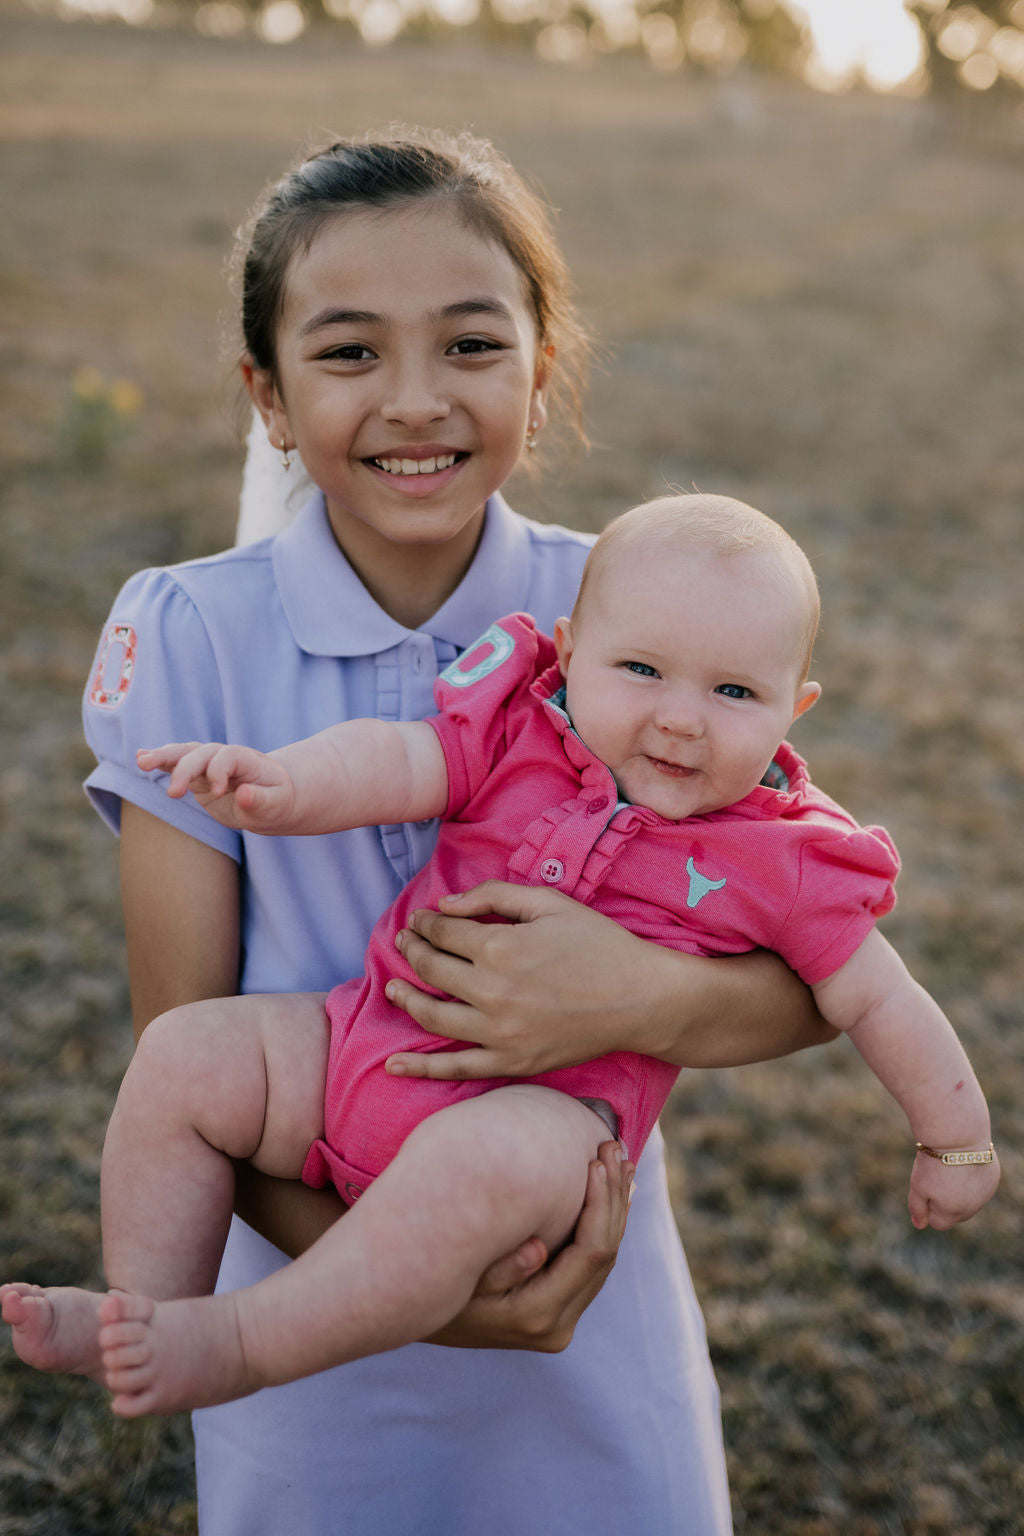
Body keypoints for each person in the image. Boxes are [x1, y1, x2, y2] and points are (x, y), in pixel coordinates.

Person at [5, 133, 839, 1536]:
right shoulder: (194, 631)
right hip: (302, 1322)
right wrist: (409, 1287)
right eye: (346, 355)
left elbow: (816, 964)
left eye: (468, 344)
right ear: (266, 397)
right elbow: (184, 1041)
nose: (413, 402)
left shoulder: (635, 606)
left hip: (580, 1284)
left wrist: (647, 994)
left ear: (542, 364)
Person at [2, 493, 1000, 1422]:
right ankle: (146, 1311)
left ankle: (238, 1344)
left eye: (734, 690)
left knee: (479, 1160)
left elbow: (875, 997)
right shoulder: (521, 725)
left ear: (797, 708)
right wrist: (283, 785)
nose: (681, 717)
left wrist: (952, 1136)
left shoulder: (782, 852)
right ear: (567, 655)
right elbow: (398, 758)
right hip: (357, 1043)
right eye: (641, 671)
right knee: (183, 1054)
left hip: (546, 1127)